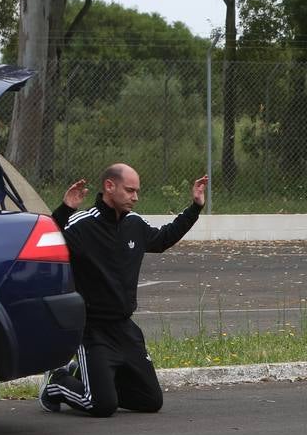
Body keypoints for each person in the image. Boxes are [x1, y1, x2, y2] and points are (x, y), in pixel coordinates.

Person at [39, 164, 209, 417]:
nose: (135, 197)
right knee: (101, 405)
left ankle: (95, 379)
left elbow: (162, 239)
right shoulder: (81, 224)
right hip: (93, 331)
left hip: (125, 329)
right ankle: (56, 382)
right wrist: (65, 209)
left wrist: (195, 207)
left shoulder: (134, 224)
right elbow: (46, 241)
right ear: (110, 186)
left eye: (137, 191)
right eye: (130, 191)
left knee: (151, 401)